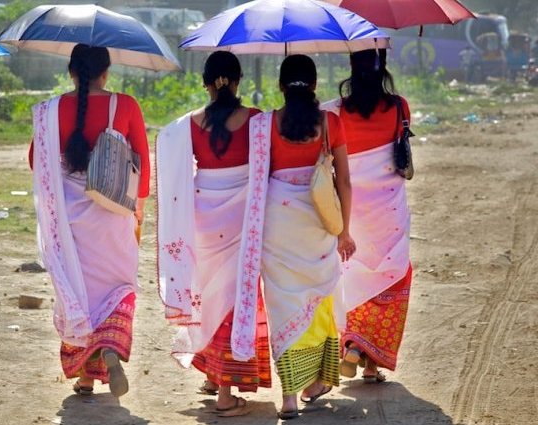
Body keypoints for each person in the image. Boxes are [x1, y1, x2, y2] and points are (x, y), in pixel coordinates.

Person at [28, 44, 149, 397]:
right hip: (112, 218)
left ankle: (84, 375)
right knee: (116, 289)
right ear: (106, 73)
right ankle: (110, 347)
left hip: (67, 222)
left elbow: (37, 162)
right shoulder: (124, 105)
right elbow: (142, 166)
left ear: (71, 72)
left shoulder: (50, 112)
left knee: (77, 292)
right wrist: (137, 215)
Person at [156, 51, 271, 417]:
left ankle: (211, 375)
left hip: (203, 217)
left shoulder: (188, 124)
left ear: (206, 84)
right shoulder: (256, 120)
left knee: (208, 296)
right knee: (234, 300)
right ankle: (224, 392)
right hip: (243, 218)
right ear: (238, 81)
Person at [251, 54, 354, 419]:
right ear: (314, 85)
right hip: (317, 221)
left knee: (284, 307)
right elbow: (343, 180)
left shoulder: (264, 124)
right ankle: (315, 382)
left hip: (278, 224)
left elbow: (257, 181)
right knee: (319, 299)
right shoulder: (330, 123)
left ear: (281, 86)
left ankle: (290, 396)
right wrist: (344, 231)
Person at [326, 48, 413, 385]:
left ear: (351, 66)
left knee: (352, 274)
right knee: (393, 276)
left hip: (351, 208)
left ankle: (351, 343)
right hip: (389, 210)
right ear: (383, 67)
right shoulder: (400, 107)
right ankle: (372, 363)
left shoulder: (334, 113)